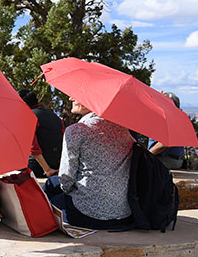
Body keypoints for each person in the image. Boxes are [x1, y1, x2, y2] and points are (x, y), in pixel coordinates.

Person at [43, 97, 134, 229]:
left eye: (77, 95)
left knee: (49, 193)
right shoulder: (124, 130)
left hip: (86, 215)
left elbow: (66, 179)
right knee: (53, 183)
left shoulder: (77, 130)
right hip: (122, 215)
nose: (71, 98)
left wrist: (73, 191)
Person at [18, 89, 64, 178]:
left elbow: (33, 147)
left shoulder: (29, 116)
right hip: (55, 166)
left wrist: (47, 169)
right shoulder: (56, 117)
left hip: (36, 168)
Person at [148, 92, 185, 170]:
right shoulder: (177, 118)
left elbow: (163, 144)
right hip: (173, 159)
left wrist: (148, 155)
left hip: (167, 160)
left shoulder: (169, 120)